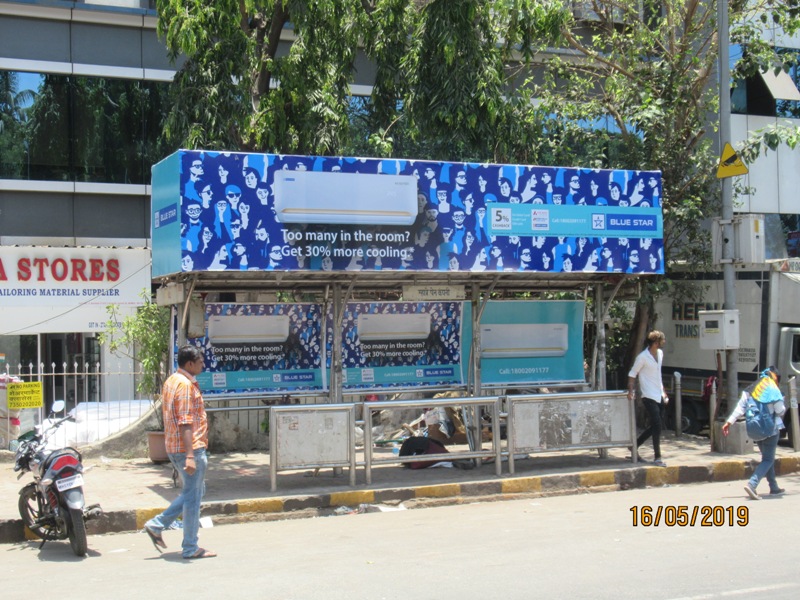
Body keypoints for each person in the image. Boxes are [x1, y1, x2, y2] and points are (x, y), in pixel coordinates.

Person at [144, 345, 216, 559]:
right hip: (188, 448)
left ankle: (159, 526)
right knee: (193, 497)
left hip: (177, 447)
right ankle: (189, 546)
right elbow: (185, 422)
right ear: (190, 364)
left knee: (195, 492)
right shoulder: (184, 386)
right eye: (200, 361)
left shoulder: (172, 380)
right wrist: (191, 455)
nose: (203, 364)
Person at [722, 367, 786, 500]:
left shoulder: (751, 388)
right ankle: (752, 484)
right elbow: (780, 411)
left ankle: (774, 487)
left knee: (767, 459)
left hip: (753, 429)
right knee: (768, 459)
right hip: (769, 430)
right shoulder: (773, 389)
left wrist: (729, 422)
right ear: (776, 378)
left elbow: (740, 407)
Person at [628, 330, 669, 466]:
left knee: (657, 426)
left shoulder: (660, 354)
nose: (664, 343)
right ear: (656, 343)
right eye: (662, 340)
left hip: (659, 394)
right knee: (656, 425)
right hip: (648, 395)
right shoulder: (643, 357)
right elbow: (632, 374)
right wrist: (631, 391)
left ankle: (636, 445)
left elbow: (658, 375)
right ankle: (657, 457)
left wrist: (663, 391)